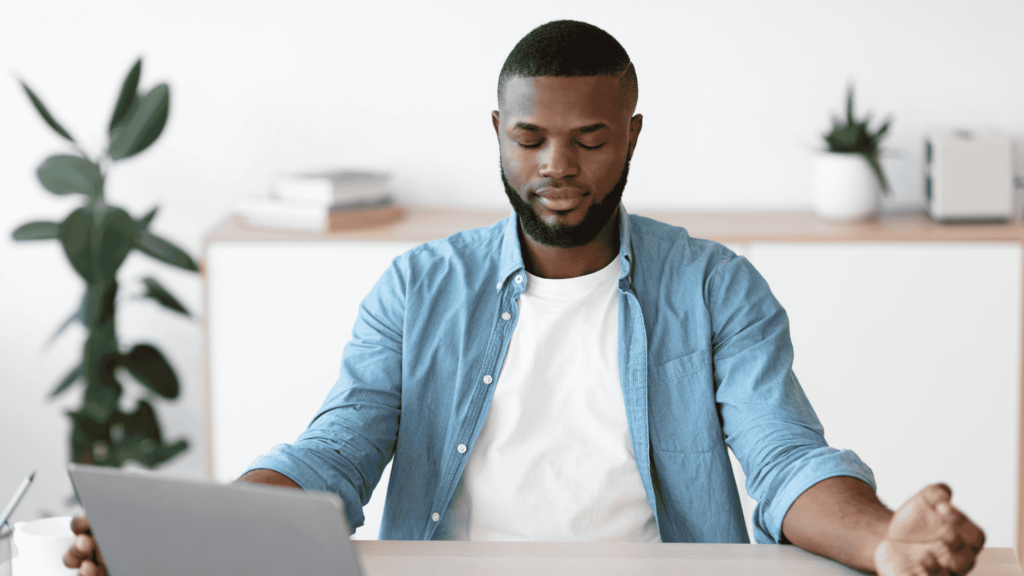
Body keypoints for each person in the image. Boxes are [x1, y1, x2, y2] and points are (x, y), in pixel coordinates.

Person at [66, 19, 985, 576]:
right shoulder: (420, 286)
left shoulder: (714, 285)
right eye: (531, 138)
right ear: (497, 133)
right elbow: (336, 453)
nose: (556, 167)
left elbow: (785, 459)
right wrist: (201, 541)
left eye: (589, 138)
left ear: (630, 137)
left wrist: (883, 541)